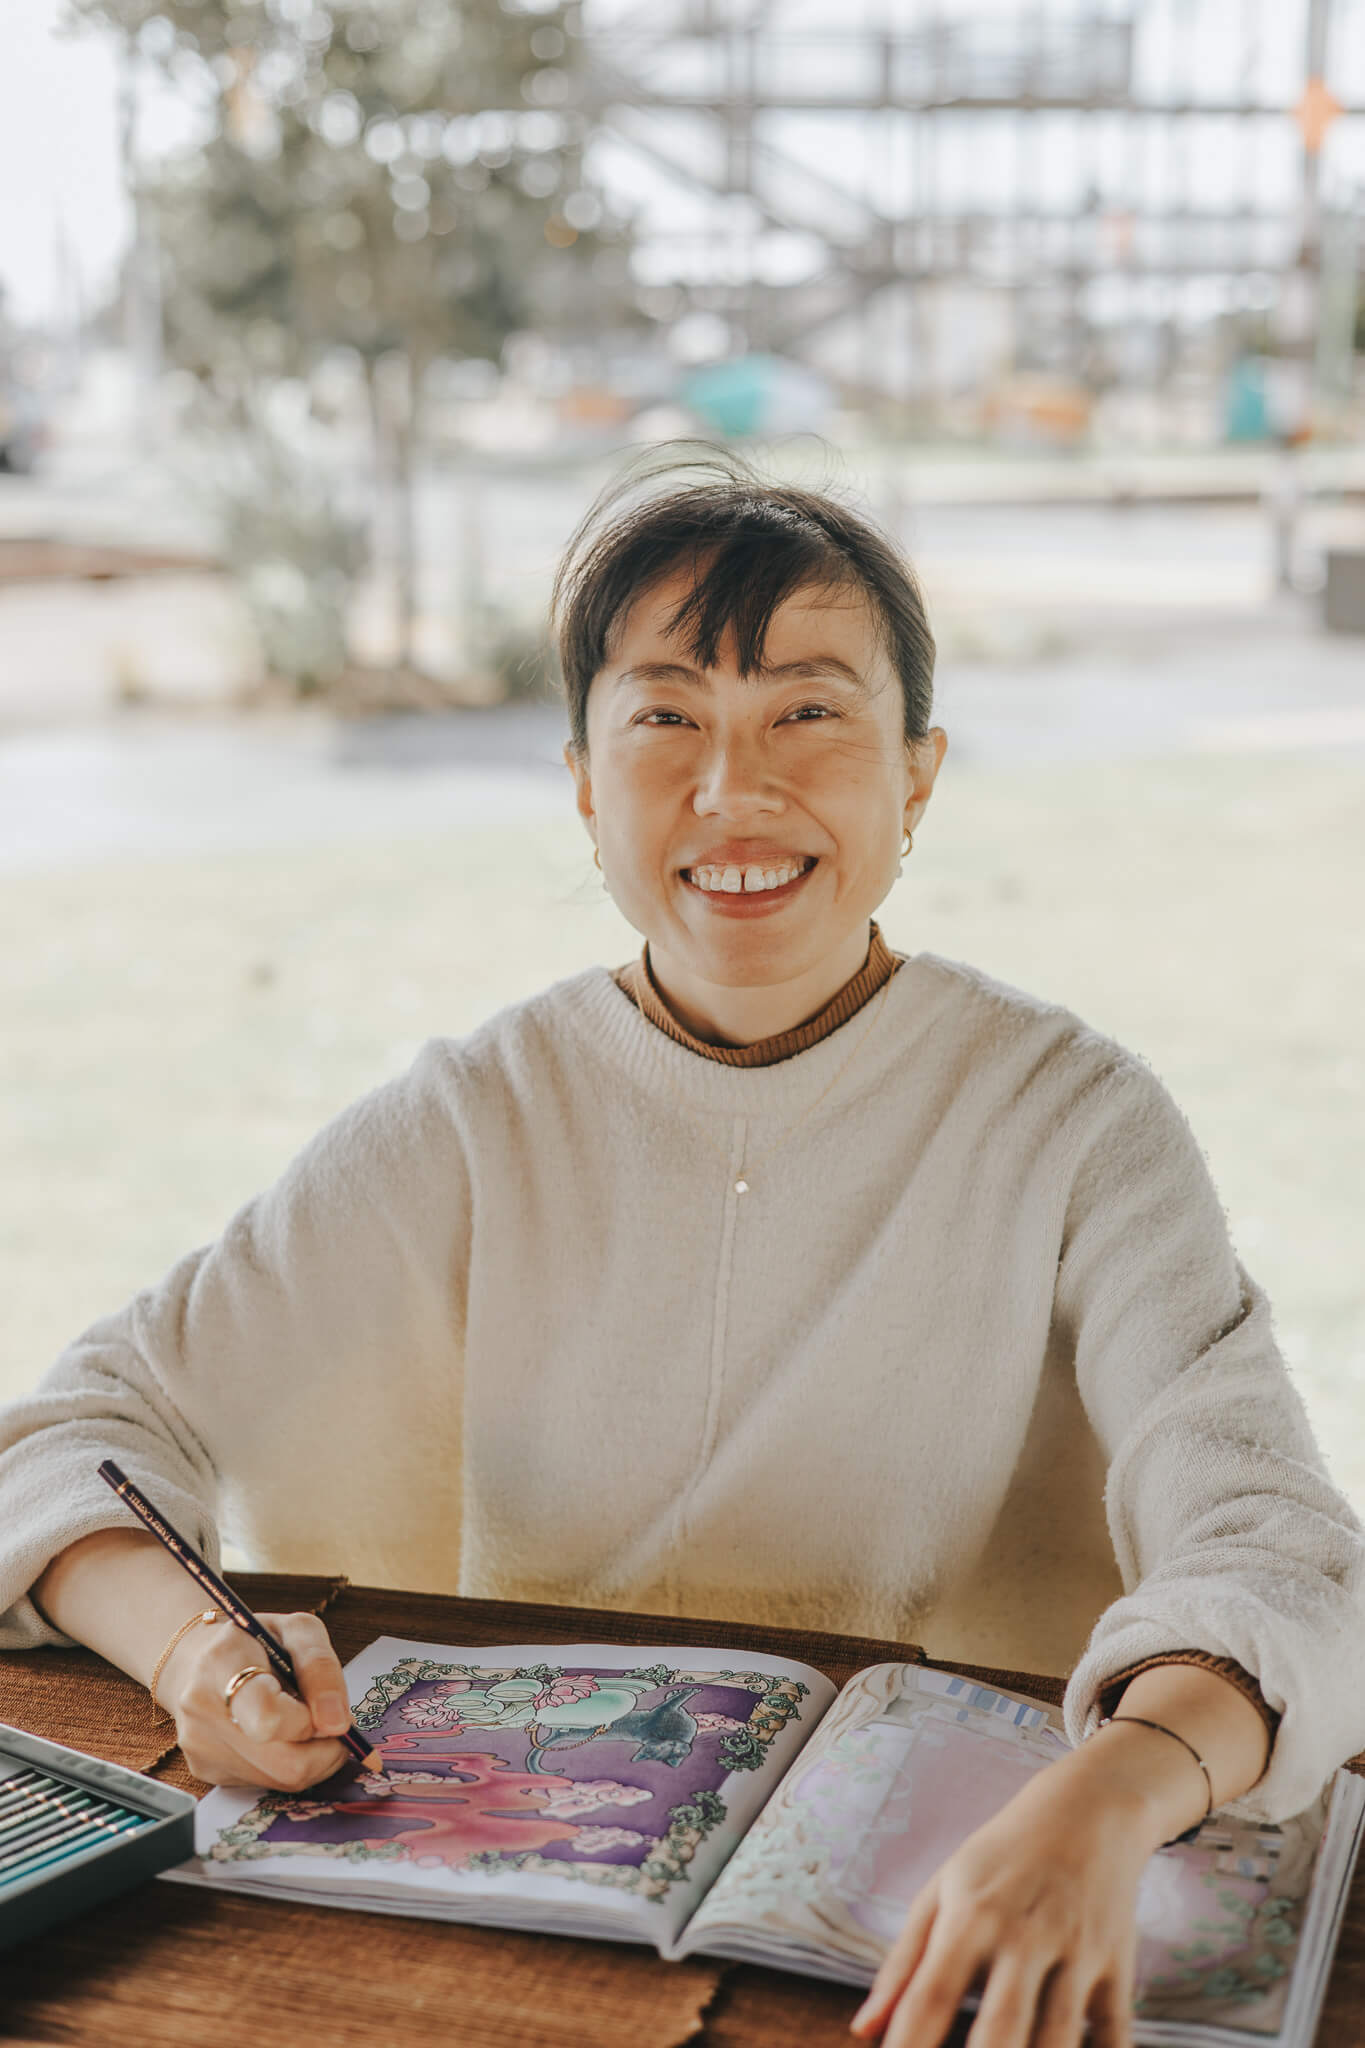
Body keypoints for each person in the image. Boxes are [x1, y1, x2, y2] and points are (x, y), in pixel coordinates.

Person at [3, 449, 1363, 2048]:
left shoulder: (1075, 1122)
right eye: (664, 719)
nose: (734, 789)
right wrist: (193, 1664)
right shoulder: (469, 1117)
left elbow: (1281, 1549)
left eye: (806, 711)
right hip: (513, 1954)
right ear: (581, 779)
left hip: (931, 1937)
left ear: (917, 775)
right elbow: (71, 1434)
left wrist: (1113, 1793)